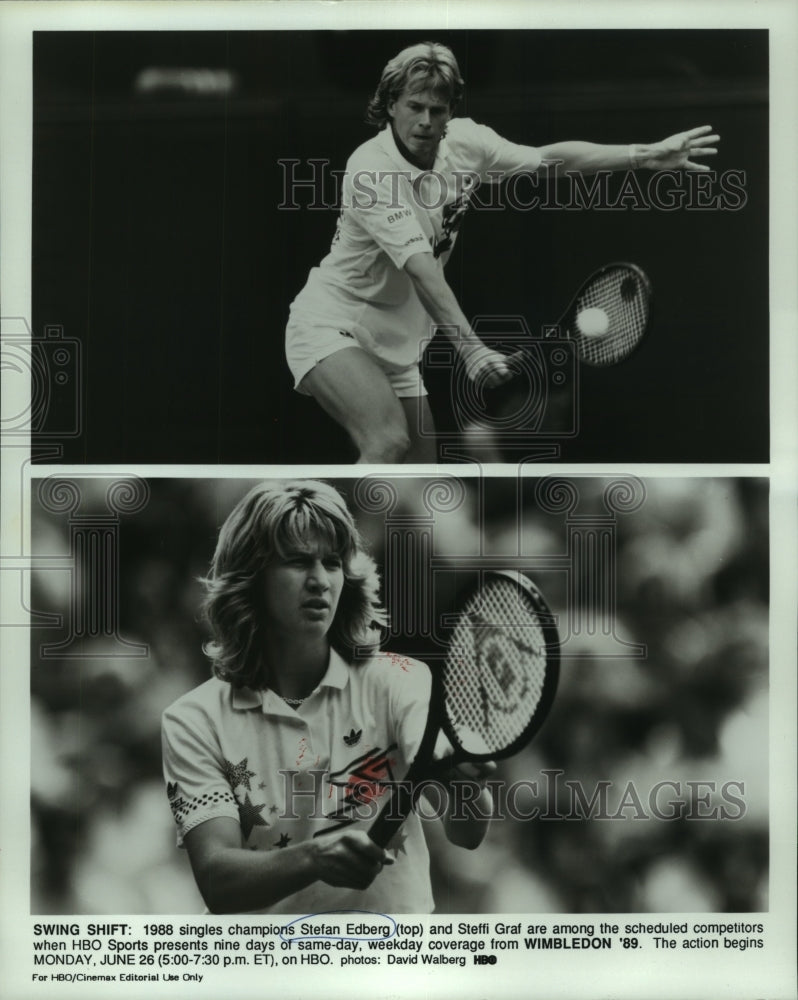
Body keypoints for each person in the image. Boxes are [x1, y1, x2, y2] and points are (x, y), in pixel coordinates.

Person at [285, 41, 720, 463]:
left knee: (420, 470)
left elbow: (549, 160)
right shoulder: (371, 170)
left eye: (437, 110)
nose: (425, 121)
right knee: (387, 442)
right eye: (414, 106)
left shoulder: (467, 142)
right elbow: (423, 272)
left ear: (451, 112)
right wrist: (472, 350)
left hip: (397, 344)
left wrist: (642, 156)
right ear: (391, 105)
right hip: (332, 323)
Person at [162, 480, 493, 914]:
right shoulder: (192, 719)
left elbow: (467, 835)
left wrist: (462, 783)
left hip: (392, 964)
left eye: (332, 563)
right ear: (251, 578)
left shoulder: (399, 680)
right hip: (266, 972)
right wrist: (313, 857)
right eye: (298, 562)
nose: (320, 580)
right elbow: (218, 882)